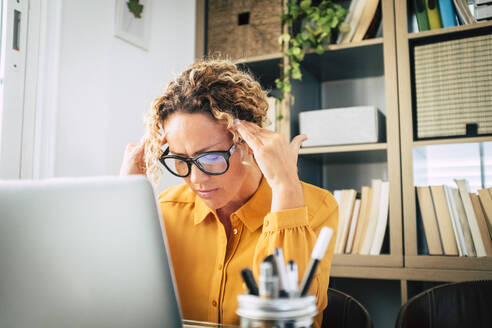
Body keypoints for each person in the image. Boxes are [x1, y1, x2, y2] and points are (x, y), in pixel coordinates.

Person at [120, 59, 338, 326]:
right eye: (181, 160)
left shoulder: (315, 208)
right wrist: (127, 200)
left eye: (210, 158)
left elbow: (285, 320)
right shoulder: (165, 211)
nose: (196, 179)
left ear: (247, 142)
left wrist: (285, 187)